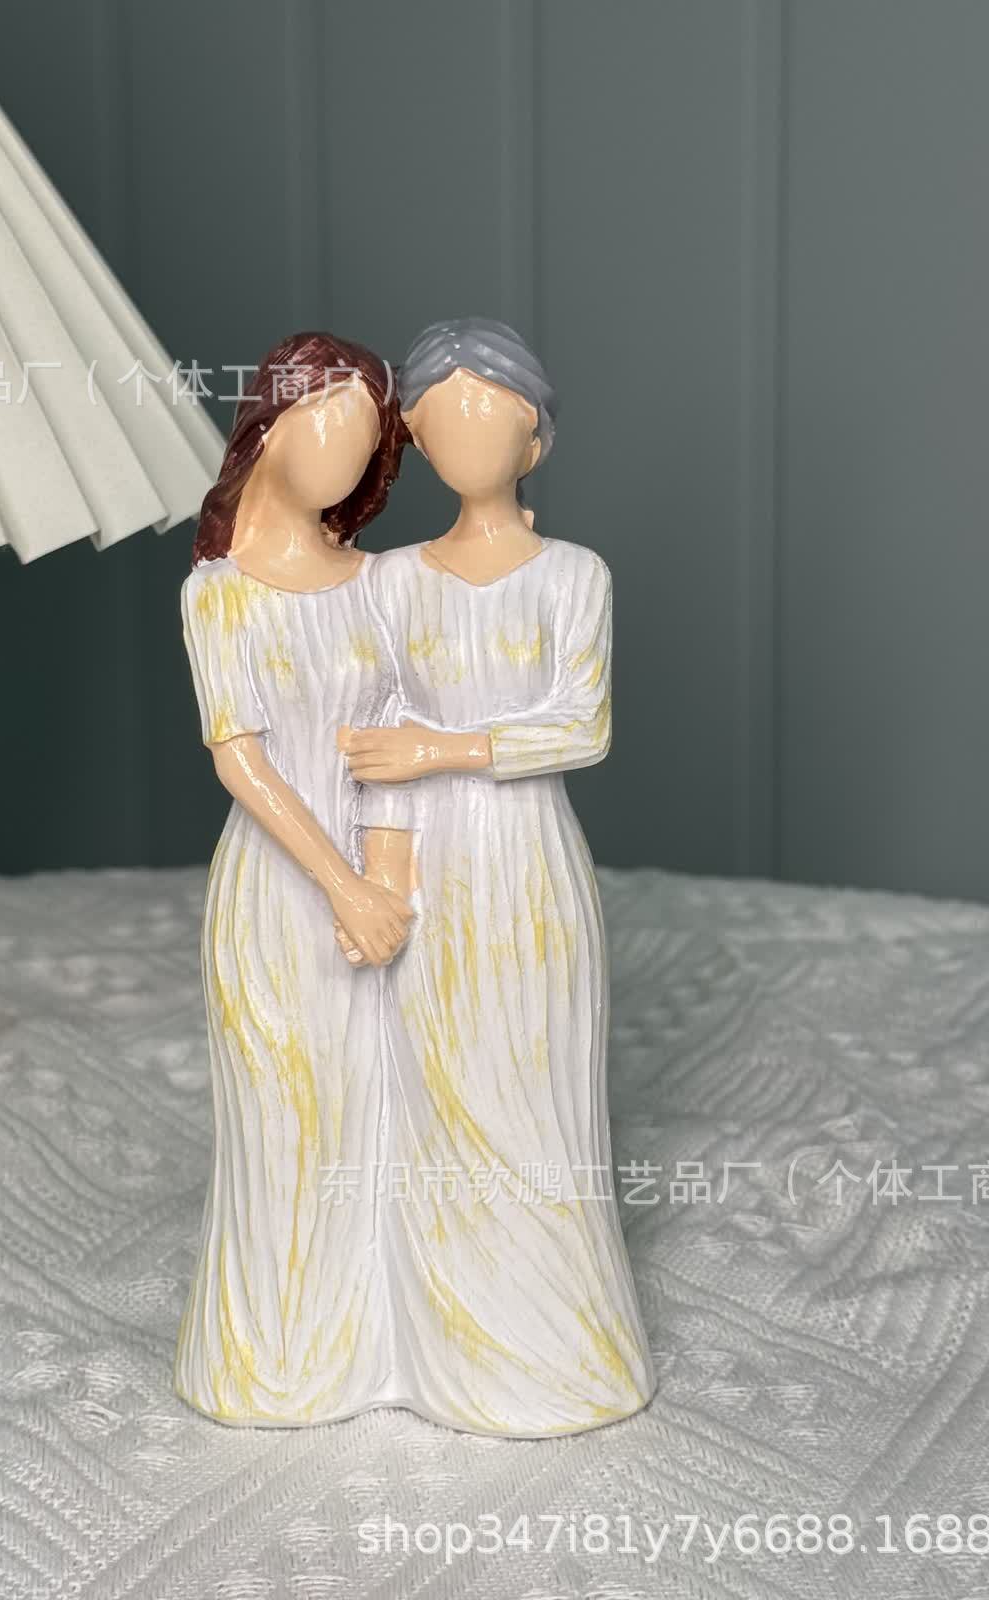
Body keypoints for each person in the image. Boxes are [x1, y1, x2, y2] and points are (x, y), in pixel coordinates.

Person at [343, 317, 656, 1435]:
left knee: (532, 1079)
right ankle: (451, 1345)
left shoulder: (573, 576)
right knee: (439, 1085)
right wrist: (380, 886)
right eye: (445, 418)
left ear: (536, 436)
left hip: (526, 864)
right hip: (431, 867)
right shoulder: (389, 582)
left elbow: (581, 725)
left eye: (493, 413)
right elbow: (374, 737)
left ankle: (560, 1346)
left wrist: (446, 748)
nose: (470, 435)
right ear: (419, 439)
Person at [175, 332, 413, 1425]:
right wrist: (341, 885)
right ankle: (270, 1355)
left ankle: (364, 1342)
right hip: (280, 891)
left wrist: (385, 883)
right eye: (332, 424)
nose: (346, 455)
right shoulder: (218, 593)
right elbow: (242, 760)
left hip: (380, 888)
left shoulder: (381, 583)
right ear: (270, 422)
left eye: (367, 441)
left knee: (370, 1113)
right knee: (281, 1118)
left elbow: (403, 726)